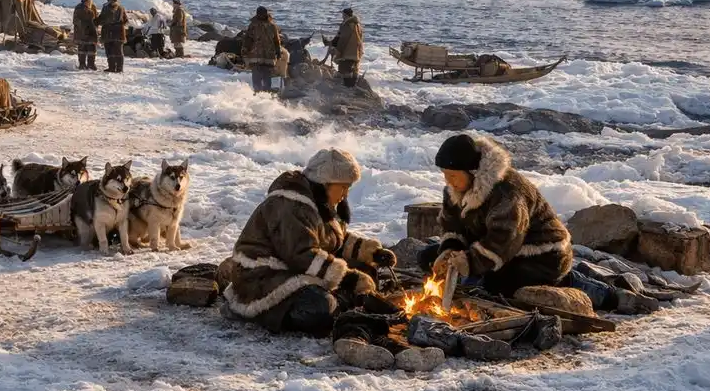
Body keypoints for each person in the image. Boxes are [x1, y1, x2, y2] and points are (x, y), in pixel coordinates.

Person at [424, 134, 656, 314]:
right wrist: (449, 251)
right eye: (445, 174)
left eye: (453, 175)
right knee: (426, 257)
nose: (448, 181)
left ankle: (596, 290)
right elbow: (451, 224)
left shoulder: (507, 192)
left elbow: (505, 239)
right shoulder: (456, 188)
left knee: (498, 286)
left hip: (541, 254)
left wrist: (470, 262)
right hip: (500, 251)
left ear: (473, 172)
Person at [221, 149, 396, 336]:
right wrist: (349, 278)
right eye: (343, 187)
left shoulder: (318, 202)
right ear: (325, 183)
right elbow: (301, 255)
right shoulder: (290, 205)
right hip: (263, 277)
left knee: (367, 268)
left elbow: (331, 240)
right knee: (318, 308)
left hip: (293, 269)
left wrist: (372, 253)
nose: (345, 195)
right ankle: (266, 313)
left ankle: (341, 303)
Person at [241, 6, 282, 93]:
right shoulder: (258, 25)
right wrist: (245, 49)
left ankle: (263, 93)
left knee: (264, 74)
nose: (262, 15)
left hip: (263, 55)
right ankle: (260, 93)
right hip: (261, 55)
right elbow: (248, 39)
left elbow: (276, 40)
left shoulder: (271, 26)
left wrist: (278, 51)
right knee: (259, 75)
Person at [330, 7, 364, 87]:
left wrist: (337, 50)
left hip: (347, 53)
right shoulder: (358, 25)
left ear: (345, 15)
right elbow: (361, 39)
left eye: (343, 15)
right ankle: (353, 88)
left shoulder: (346, 25)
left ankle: (347, 88)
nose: (342, 16)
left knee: (344, 70)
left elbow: (342, 39)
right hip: (356, 53)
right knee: (354, 70)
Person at [95, 0, 128, 73]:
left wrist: (95, 22)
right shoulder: (121, 7)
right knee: (119, 51)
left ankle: (112, 67)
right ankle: (120, 68)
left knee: (110, 50)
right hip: (119, 32)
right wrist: (120, 25)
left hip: (108, 32)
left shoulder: (106, 7)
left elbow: (102, 18)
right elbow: (126, 20)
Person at [72, 0, 99, 71]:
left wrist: (96, 25)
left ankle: (91, 64)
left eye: (89, 0)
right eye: (87, 0)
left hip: (92, 32)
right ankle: (82, 64)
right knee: (82, 49)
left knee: (92, 49)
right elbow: (75, 20)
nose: (88, 1)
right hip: (82, 32)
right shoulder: (79, 7)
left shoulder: (93, 7)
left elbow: (96, 17)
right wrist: (83, 26)